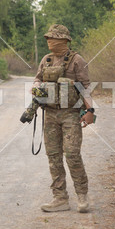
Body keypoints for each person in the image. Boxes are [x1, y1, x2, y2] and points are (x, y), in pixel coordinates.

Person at [33, 24, 95, 213]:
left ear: (65, 40)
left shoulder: (77, 61)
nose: (51, 42)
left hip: (70, 114)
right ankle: (60, 198)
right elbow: (37, 78)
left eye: (55, 39)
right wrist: (38, 87)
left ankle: (82, 196)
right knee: (53, 156)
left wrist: (90, 110)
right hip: (50, 114)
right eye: (49, 38)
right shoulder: (47, 59)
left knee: (72, 154)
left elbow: (85, 87)